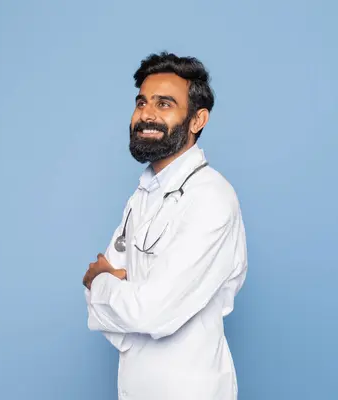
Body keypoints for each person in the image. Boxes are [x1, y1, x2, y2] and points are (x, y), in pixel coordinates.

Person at [82, 52, 248, 400]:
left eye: (165, 104)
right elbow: (110, 309)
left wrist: (101, 282)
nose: (147, 114)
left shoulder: (211, 198)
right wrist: (120, 298)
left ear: (197, 120)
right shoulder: (143, 194)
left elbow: (151, 314)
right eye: (142, 102)